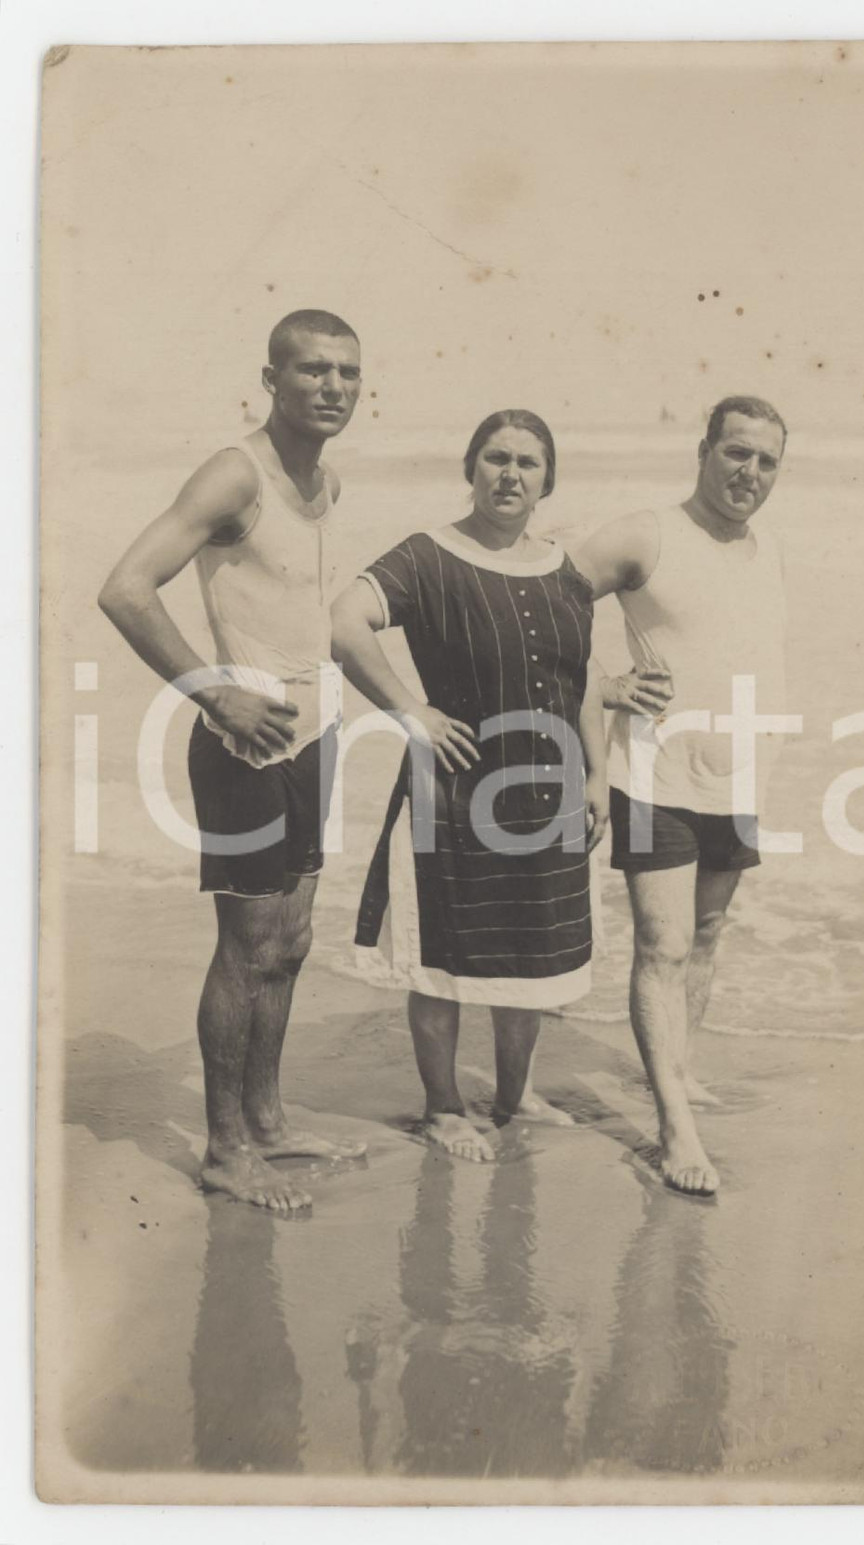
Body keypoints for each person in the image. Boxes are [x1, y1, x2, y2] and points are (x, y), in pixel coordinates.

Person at [98, 309, 368, 1213]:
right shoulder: (235, 473)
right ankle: (222, 1149)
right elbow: (125, 589)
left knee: (291, 944)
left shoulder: (325, 482)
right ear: (271, 378)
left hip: (315, 734)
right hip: (243, 742)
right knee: (247, 948)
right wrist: (214, 691)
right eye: (313, 370)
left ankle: (269, 1118)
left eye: (347, 373)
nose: (333, 386)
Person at [329, 409, 608, 1163]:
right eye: (495, 458)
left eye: (527, 462)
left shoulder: (565, 570)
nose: (510, 474)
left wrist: (600, 778)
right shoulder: (428, 556)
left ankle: (513, 1100)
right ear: (470, 466)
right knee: (443, 961)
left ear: (549, 479)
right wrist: (410, 709)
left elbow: (579, 682)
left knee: (534, 963)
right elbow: (344, 620)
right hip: (453, 788)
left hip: (551, 794)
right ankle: (443, 1107)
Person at [575, 395, 788, 1197]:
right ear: (704, 450)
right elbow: (544, 608)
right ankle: (673, 1127)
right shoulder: (648, 534)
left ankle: (679, 1076)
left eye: (766, 461)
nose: (750, 473)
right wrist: (606, 685)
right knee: (662, 946)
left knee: (706, 931)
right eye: (736, 453)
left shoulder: (762, 548)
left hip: (735, 775)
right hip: (654, 774)